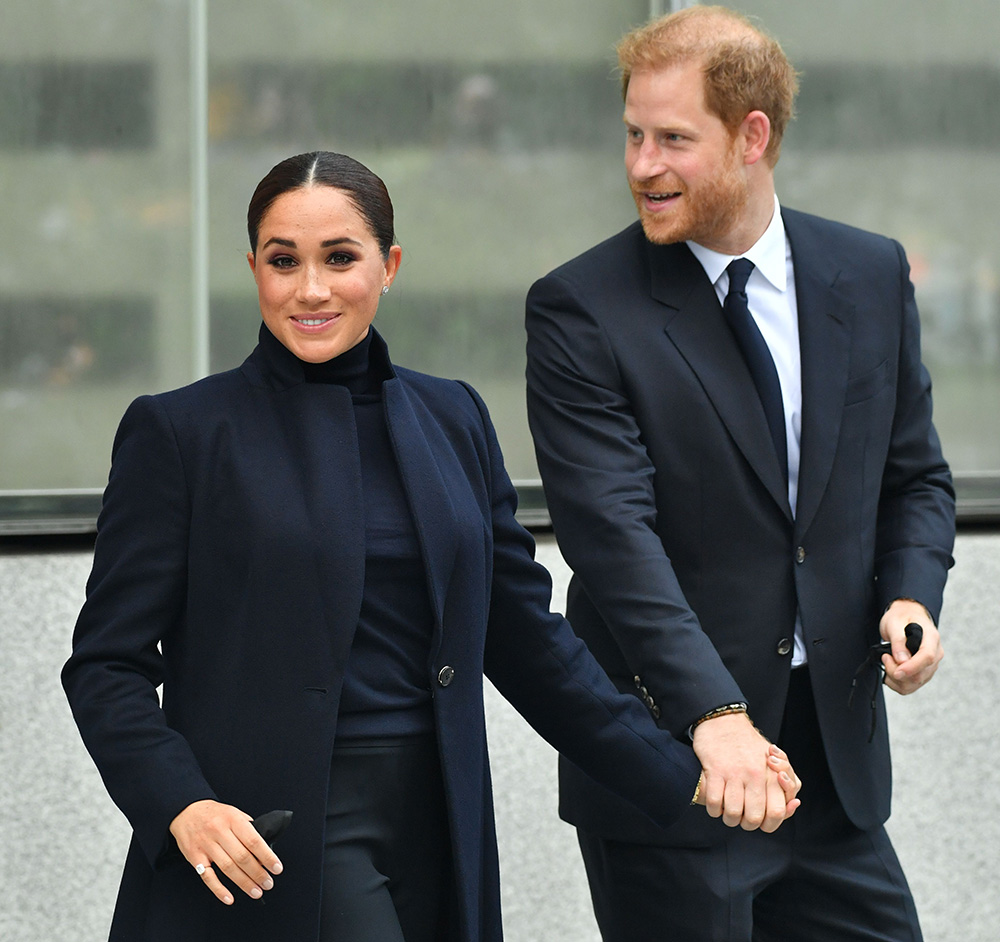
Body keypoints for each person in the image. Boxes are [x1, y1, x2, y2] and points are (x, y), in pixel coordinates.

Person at [62, 150, 798, 942]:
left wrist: (682, 773)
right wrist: (181, 804)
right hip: (275, 832)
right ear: (254, 270)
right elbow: (108, 664)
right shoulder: (179, 433)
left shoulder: (452, 419)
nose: (310, 289)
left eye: (340, 258)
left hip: (439, 818)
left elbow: (528, 643)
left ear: (390, 266)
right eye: (283, 262)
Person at [525, 7, 955, 941]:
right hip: (675, 768)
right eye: (634, 135)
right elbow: (610, 538)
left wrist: (911, 597)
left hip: (834, 772)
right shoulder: (579, 309)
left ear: (752, 136)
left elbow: (914, 476)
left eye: (673, 139)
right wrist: (711, 715)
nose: (642, 164)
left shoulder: (869, 272)